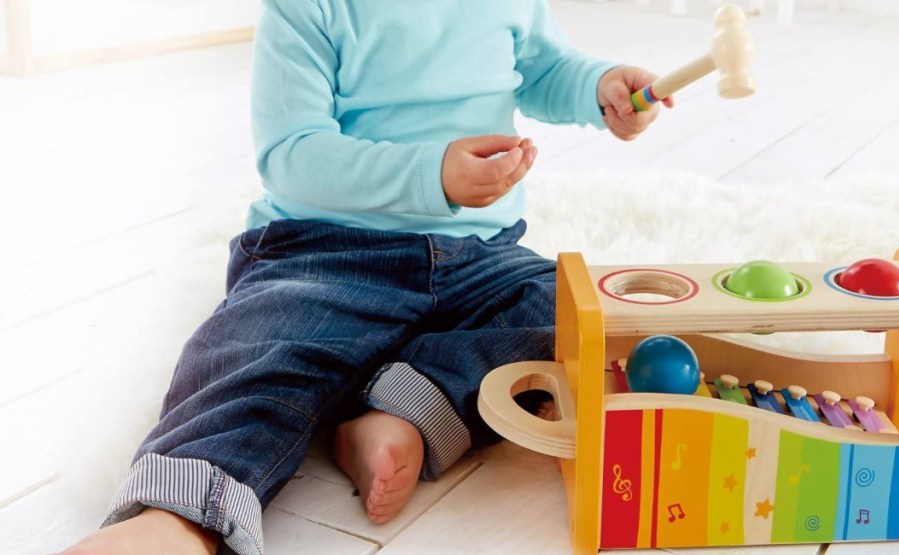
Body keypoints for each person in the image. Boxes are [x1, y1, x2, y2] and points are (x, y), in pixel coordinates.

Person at [62, 1, 670, 553]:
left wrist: (599, 87)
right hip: (325, 250)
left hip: (478, 251)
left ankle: (402, 409)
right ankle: (181, 512)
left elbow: (544, 67)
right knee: (261, 347)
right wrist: (429, 173)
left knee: (560, 311)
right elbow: (291, 153)